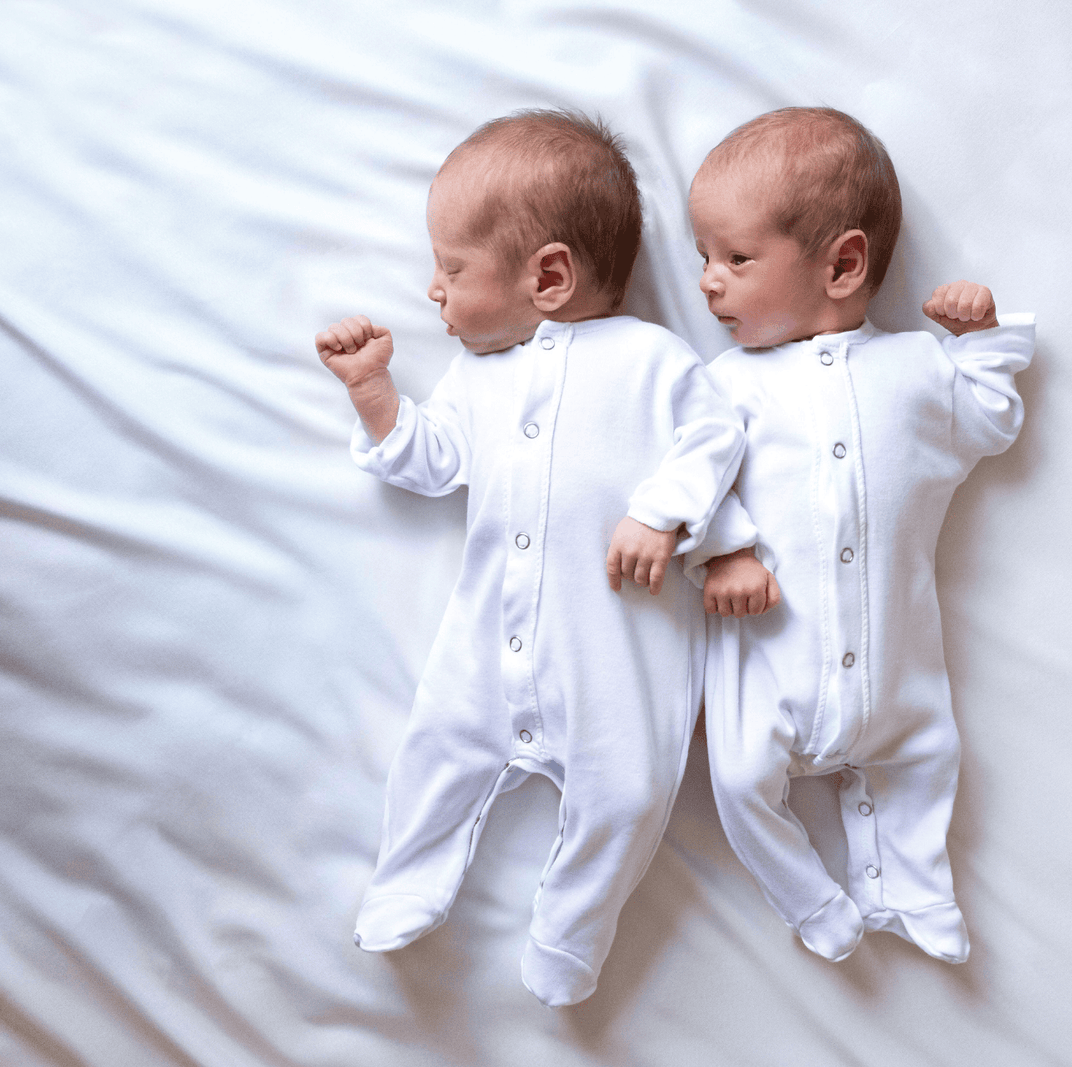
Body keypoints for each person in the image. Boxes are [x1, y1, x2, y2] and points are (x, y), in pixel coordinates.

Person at [316, 109, 751, 1007]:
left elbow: (716, 439)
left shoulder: (652, 363)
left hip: (613, 659)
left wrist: (661, 513)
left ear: (548, 276)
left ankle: (570, 936)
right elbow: (431, 463)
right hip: (486, 643)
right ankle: (403, 887)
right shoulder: (478, 378)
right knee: (437, 751)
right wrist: (376, 398)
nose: (433, 293)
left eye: (451, 269)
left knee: (627, 795)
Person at [685, 106, 1035, 964]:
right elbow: (680, 476)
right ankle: (815, 904)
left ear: (843, 264)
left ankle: (916, 892)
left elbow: (990, 418)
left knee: (924, 756)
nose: (706, 283)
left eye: (734, 257)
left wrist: (979, 339)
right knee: (736, 779)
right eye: (702, 257)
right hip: (770, 657)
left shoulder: (916, 370)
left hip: (894, 662)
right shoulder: (722, 385)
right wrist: (724, 547)